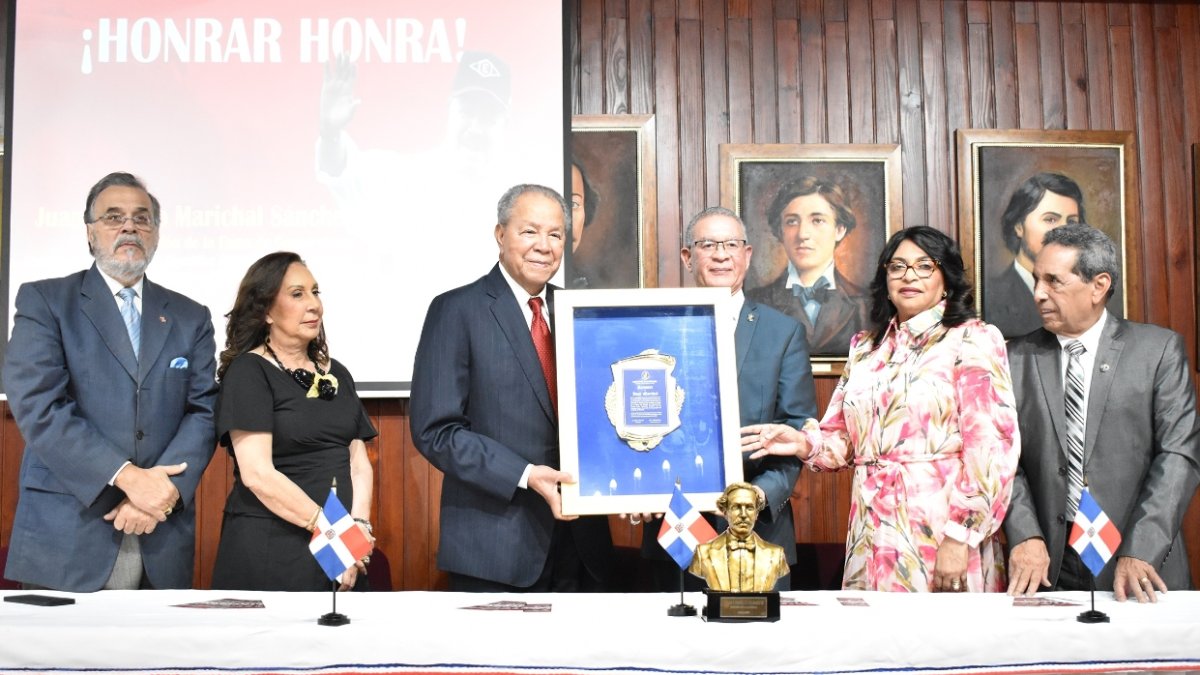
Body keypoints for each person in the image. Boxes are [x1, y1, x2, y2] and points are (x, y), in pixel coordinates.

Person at [742, 226, 1020, 593]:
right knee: (873, 643)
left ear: (946, 278)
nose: (909, 276)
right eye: (898, 266)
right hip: (870, 529)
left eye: (924, 266)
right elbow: (842, 439)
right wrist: (802, 443)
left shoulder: (973, 338)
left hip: (938, 531)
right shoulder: (866, 348)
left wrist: (961, 536)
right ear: (885, 277)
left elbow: (992, 448)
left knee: (940, 645)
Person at [2, 172, 218, 591]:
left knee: (159, 656)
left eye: (142, 218)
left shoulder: (192, 317)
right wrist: (126, 478)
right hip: (70, 529)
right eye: (113, 217)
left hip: (160, 528)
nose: (129, 227)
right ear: (90, 232)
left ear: (155, 233)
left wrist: (160, 492)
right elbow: (39, 406)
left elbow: (203, 411)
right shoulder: (45, 301)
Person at [410, 184, 613, 592]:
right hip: (495, 547)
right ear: (500, 234)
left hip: (582, 546)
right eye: (529, 231)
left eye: (555, 234)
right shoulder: (457, 310)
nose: (544, 246)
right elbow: (436, 431)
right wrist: (524, 475)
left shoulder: (582, 313)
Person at [1004, 223, 1200, 602]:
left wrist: (1141, 549)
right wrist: (1026, 534)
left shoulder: (1158, 352)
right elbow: (1002, 461)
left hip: (1139, 563)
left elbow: (1179, 455)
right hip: (1048, 564)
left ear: (1098, 286)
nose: (1039, 293)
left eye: (1053, 281)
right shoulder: (1014, 359)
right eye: (1036, 280)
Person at [641, 206, 816, 591]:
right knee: (672, 650)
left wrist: (757, 496)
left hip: (758, 536)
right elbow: (643, 420)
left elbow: (796, 432)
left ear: (747, 254)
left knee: (761, 650)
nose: (721, 255)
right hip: (675, 531)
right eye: (708, 245)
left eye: (731, 244)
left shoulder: (782, 333)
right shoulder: (655, 326)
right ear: (688, 257)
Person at [210, 252, 377, 592]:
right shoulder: (249, 372)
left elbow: (357, 462)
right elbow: (258, 475)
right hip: (273, 547)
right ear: (266, 311)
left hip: (341, 548)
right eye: (297, 294)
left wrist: (358, 527)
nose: (314, 304)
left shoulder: (337, 373)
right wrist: (335, 534)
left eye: (315, 292)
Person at [747, 176, 869, 356]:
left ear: (839, 229)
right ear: (780, 231)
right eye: (792, 221)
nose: (803, 234)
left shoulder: (867, 304)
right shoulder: (754, 303)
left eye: (817, 220)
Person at [988, 172, 1085, 338]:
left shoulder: (1086, 291)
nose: (1063, 231)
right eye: (1050, 219)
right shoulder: (993, 296)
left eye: (1071, 222)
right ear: (1019, 226)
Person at [688, 482, 791, 592]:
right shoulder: (703, 553)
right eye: (736, 507)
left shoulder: (776, 555)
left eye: (749, 508)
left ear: (757, 513)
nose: (743, 514)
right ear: (725, 512)